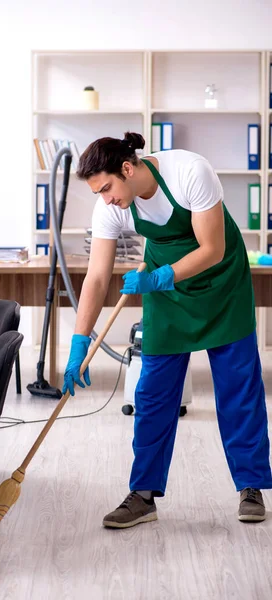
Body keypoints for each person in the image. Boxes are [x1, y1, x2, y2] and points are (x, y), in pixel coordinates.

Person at [62, 132, 272, 528]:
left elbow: (213, 248)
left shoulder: (190, 171)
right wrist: (79, 340)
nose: (106, 199)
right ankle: (143, 494)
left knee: (238, 387)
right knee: (153, 393)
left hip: (220, 285)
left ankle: (250, 485)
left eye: (107, 188)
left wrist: (160, 278)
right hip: (168, 293)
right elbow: (96, 277)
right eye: (98, 193)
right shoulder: (111, 206)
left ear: (127, 169)